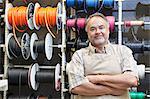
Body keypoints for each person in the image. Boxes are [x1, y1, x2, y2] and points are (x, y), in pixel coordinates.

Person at [66, 12, 139, 99]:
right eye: (92, 29)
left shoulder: (123, 51)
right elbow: (77, 87)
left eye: (101, 28)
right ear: (87, 33)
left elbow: (131, 80)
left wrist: (97, 79)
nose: (98, 32)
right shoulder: (79, 55)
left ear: (108, 30)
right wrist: (113, 90)